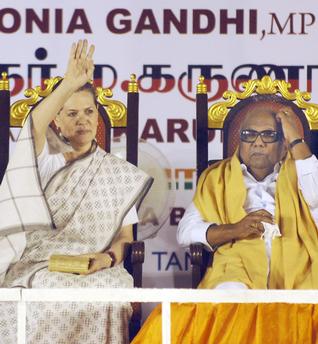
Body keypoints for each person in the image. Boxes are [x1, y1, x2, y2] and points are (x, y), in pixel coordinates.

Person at [0, 40, 152, 344]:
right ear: (57, 119)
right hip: (42, 263)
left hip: (96, 265)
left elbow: (125, 237)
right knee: (50, 288)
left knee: (107, 292)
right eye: (71, 113)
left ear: (97, 116)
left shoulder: (116, 174)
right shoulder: (43, 161)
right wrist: (70, 83)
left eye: (88, 111)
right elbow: (32, 129)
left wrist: (106, 259)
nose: (81, 119)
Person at [178, 97, 318, 289]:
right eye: (249, 134)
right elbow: (185, 232)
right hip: (237, 269)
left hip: (299, 269)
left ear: (284, 144)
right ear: (240, 140)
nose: (257, 143)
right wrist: (235, 229)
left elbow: (316, 195)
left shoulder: (302, 171)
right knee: (230, 296)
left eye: (268, 135)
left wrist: (295, 139)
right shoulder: (217, 177)